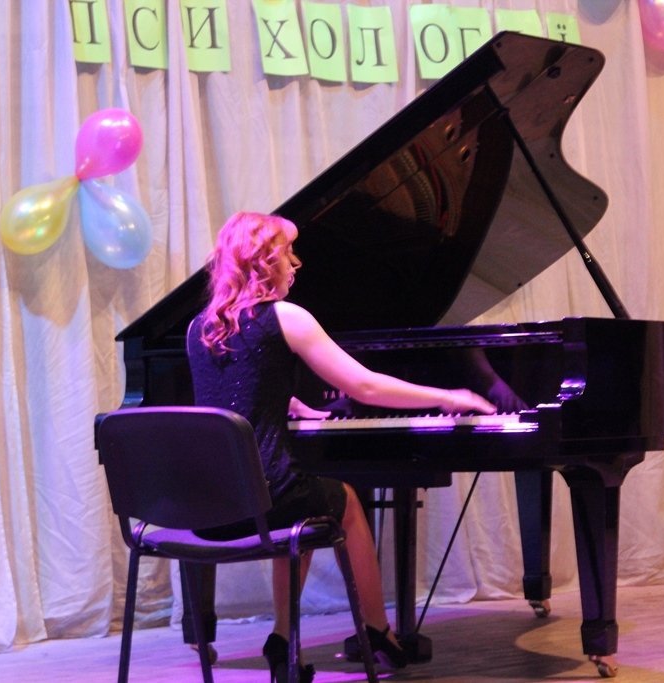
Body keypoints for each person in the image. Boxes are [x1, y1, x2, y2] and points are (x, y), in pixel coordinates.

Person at [183, 211, 497, 682]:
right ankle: (375, 629)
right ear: (264, 259)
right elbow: (365, 386)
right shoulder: (286, 317)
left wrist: (286, 401)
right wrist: (447, 397)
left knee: (305, 505)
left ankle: (285, 640)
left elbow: (229, 396)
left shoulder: (200, 328)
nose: (296, 262)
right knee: (342, 501)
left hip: (208, 505)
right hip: (264, 497)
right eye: (287, 252)